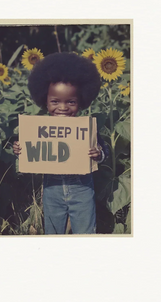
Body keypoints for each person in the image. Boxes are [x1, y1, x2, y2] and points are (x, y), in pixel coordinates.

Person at [13, 52, 109, 234]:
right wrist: (19, 149)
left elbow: (104, 150)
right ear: (45, 101)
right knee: (53, 232)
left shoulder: (87, 127)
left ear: (81, 102)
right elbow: (30, 150)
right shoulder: (39, 129)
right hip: (52, 190)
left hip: (82, 190)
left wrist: (99, 154)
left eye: (71, 102)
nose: (63, 108)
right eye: (55, 101)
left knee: (85, 232)